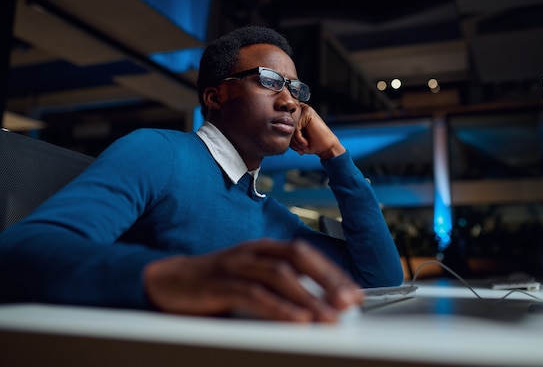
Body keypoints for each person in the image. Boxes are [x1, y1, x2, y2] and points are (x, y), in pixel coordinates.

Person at [0, 25, 404, 323]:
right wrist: (176, 277)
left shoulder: (275, 218)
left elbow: (379, 278)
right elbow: (20, 250)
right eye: (269, 81)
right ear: (215, 96)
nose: (289, 101)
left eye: (297, 90)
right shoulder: (159, 152)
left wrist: (335, 155)